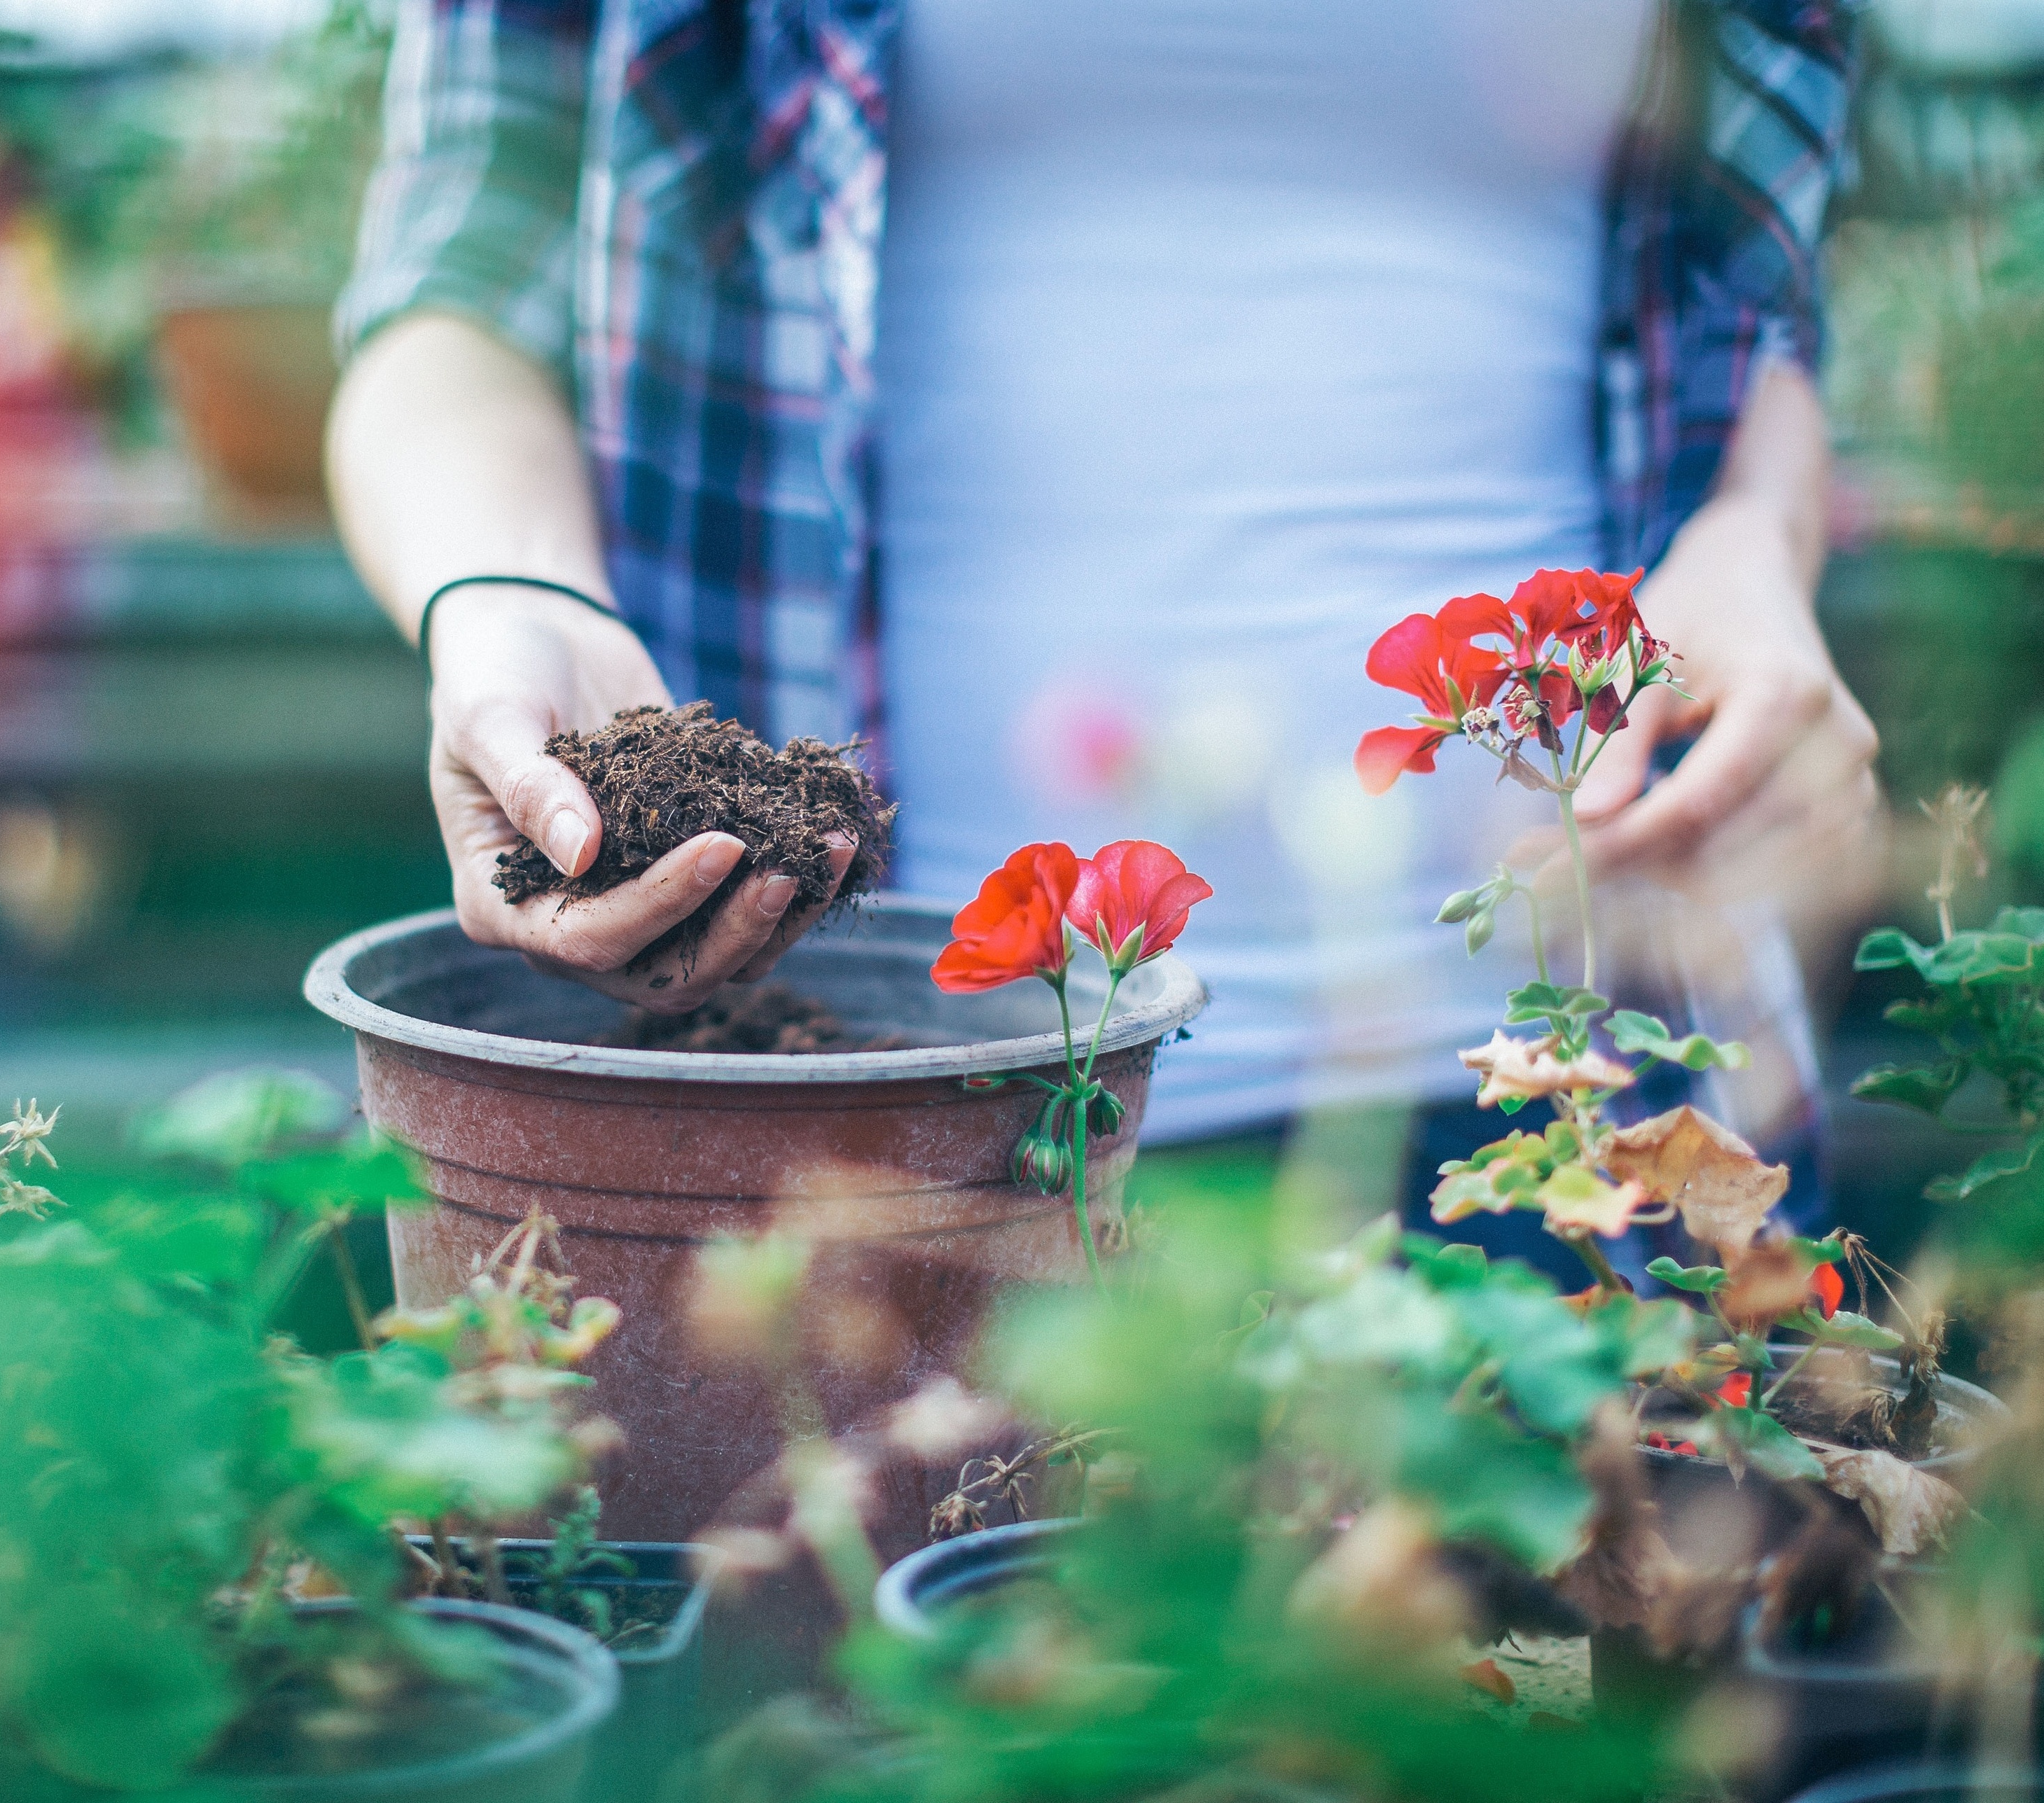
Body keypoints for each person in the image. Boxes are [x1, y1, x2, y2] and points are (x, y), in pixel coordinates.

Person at [324, 0, 1882, 1260]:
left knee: (1584, 1627)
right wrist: (511, 591)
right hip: (873, 1118)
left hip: (1582, 1100)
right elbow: (457, 274)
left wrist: (1751, 553)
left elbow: (1750, 313)